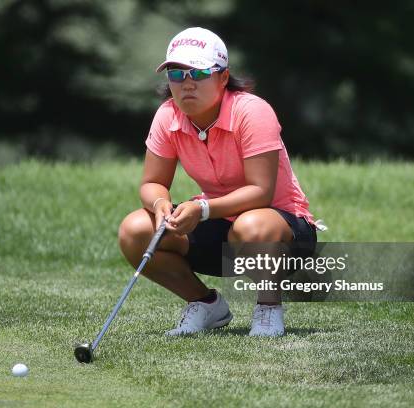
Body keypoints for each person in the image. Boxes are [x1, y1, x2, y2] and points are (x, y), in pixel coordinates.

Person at [118, 27, 318, 337]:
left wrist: (202, 210)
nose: (186, 84)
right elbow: (152, 183)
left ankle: (268, 308)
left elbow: (260, 192)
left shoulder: (251, 111)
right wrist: (160, 205)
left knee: (251, 226)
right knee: (135, 231)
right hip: (220, 226)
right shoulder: (167, 115)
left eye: (197, 73)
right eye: (176, 74)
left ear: (223, 78)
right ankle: (206, 304)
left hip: (283, 233)